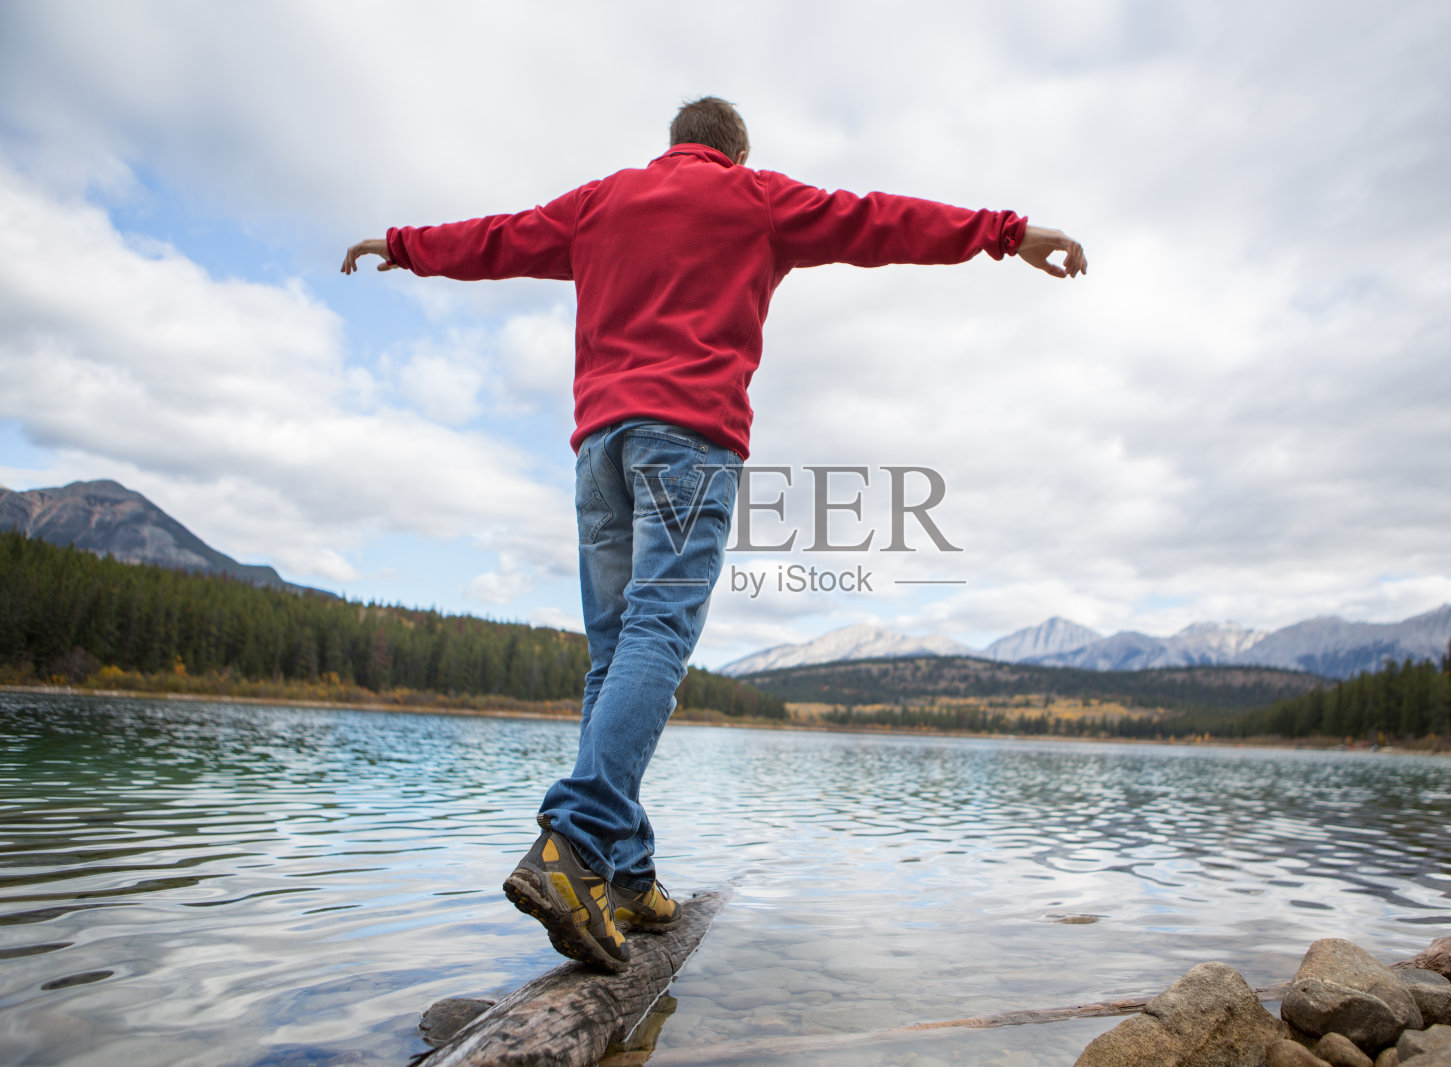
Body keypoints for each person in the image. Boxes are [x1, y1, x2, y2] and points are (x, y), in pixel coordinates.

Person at [342, 97, 1086, 972]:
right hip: (688, 442)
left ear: (673, 146)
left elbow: (497, 239)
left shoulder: (601, 201)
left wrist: (401, 245)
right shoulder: (757, 199)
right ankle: (575, 847)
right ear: (736, 154)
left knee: (613, 654)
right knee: (657, 634)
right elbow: (881, 221)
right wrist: (1008, 232)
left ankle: (627, 870)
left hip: (599, 448)